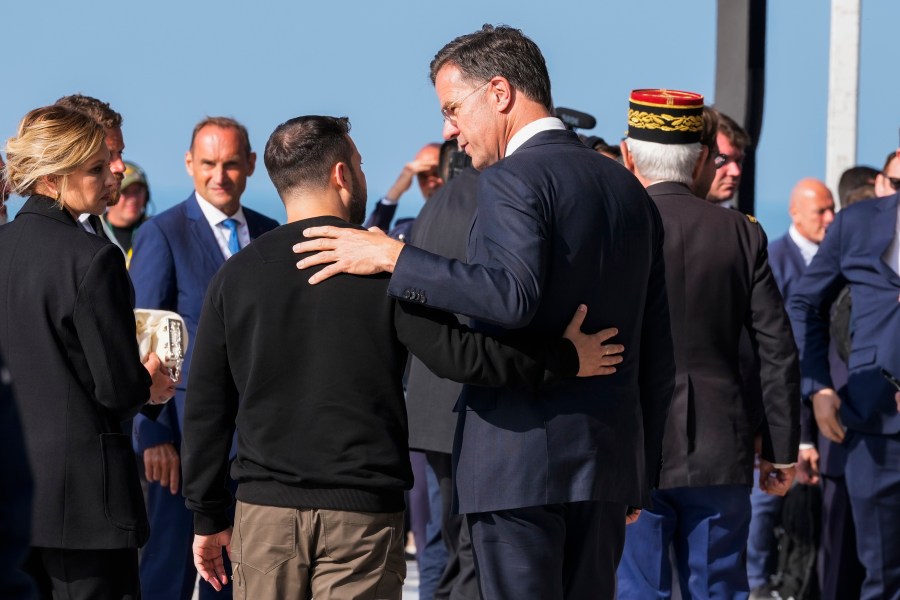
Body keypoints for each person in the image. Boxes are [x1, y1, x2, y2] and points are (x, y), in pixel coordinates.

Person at [292, 25, 675, 599]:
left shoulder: (510, 179)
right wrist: (638, 475)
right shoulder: (627, 190)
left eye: (453, 109)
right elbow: (658, 346)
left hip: (516, 466)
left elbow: (509, 295)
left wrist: (395, 257)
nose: (450, 130)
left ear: (499, 93)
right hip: (607, 465)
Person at [182, 114, 624, 600]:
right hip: (362, 514)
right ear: (340, 175)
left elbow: (208, 404)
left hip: (264, 514)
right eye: (360, 163)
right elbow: (463, 356)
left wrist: (207, 515)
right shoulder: (378, 266)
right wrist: (564, 357)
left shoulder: (238, 275)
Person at [616, 90, 800, 598]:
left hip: (631, 444)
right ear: (700, 158)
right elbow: (777, 349)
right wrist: (782, 450)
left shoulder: (613, 227)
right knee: (717, 589)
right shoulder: (741, 233)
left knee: (637, 591)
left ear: (628, 155)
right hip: (721, 446)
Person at [0, 105, 174, 600]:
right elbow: (117, 389)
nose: (109, 177)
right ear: (54, 179)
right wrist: (152, 385)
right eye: (94, 168)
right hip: (85, 507)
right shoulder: (93, 257)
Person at [129, 116, 279, 600]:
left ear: (251, 165)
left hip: (259, 448)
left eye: (231, 164)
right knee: (166, 575)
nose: (220, 175)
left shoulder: (271, 233)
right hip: (182, 446)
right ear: (190, 164)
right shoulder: (162, 233)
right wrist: (153, 433)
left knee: (239, 579)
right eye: (209, 163)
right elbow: (144, 337)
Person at [789, 158, 900, 599]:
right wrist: (817, 386)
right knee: (881, 578)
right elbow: (805, 304)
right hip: (872, 429)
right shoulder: (857, 223)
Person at [54, 94, 127, 234]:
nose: (121, 166)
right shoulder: (49, 234)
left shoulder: (92, 224)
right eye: (107, 156)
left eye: (120, 153)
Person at [364, 142, 444, 241]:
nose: (431, 184)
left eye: (437, 172)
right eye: (423, 176)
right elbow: (368, 242)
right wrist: (396, 191)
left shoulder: (467, 219)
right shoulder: (409, 231)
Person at [100, 161, 150, 265]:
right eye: (125, 192)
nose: (133, 199)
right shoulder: (92, 229)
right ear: (110, 195)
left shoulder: (155, 231)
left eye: (137, 191)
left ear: (146, 196)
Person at [705, 109, 750, 207]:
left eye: (739, 161)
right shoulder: (666, 218)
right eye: (722, 160)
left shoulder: (742, 222)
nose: (735, 172)